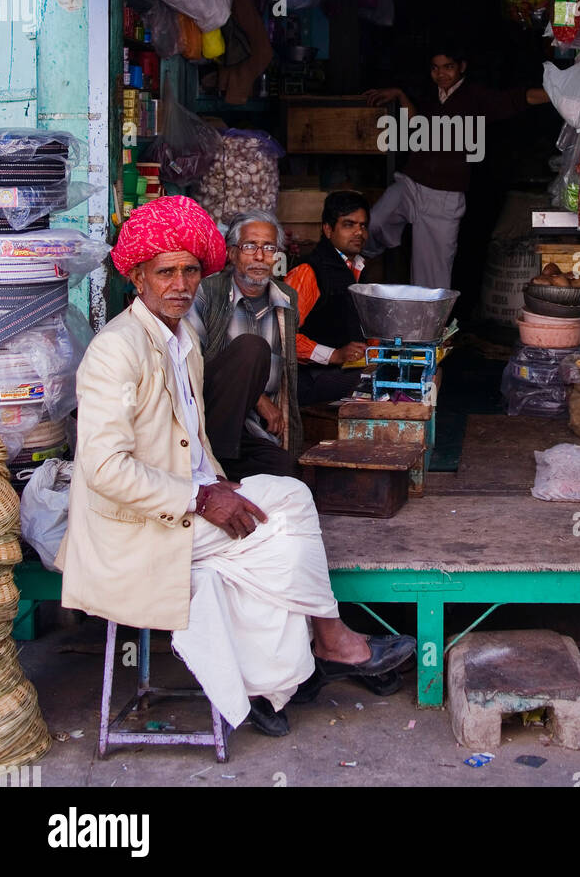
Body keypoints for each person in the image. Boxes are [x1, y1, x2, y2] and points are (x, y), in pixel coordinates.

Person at [56, 195, 415, 739]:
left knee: (286, 501)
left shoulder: (182, 338)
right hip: (136, 528)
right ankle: (325, 647)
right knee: (277, 536)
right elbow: (105, 469)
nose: (181, 285)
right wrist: (201, 497)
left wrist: (216, 481)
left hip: (184, 499)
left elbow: (190, 436)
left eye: (190, 271)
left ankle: (283, 679)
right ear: (137, 277)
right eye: (166, 272)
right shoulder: (116, 350)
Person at [364, 39, 549, 288]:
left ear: (462, 67)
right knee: (374, 221)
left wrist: (557, 96)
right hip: (411, 183)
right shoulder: (431, 95)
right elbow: (417, 127)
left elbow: (519, 98)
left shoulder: (475, 97)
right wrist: (400, 95)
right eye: (435, 68)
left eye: (448, 67)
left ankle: (429, 315)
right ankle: (361, 258)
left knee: (432, 280)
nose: (441, 74)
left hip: (444, 198)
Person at [188, 209, 302, 481]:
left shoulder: (287, 299)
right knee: (252, 348)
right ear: (232, 253)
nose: (260, 256)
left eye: (269, 248)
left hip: (251, 429)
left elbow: (287, 375)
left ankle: (222, 471)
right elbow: (190, 364)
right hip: (210, 418)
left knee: (287, 472)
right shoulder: (207, 292)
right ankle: (212, 466)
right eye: (250, 246)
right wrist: (258, 398)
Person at [285, 190, 369, 407]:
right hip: (310, 377)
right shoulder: (308, 272)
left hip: (342, 371)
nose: (359, 232)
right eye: (349, 225)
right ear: (328, 229)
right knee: (376, 382)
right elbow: (283, 335)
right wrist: (334, 355)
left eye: (363, 225)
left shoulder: (357, 268)